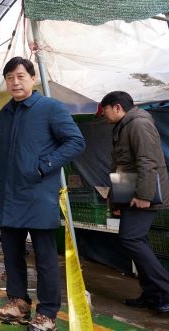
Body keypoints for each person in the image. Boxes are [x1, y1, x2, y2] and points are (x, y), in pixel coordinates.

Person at [0, 57, 85, 331]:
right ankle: (18, 303)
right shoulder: (5, 113)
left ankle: (47, 314)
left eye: (20, 76)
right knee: (11, 254)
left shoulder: (50, 107)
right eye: (10, 77)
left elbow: (76, 141)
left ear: (33, 78)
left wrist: (45, 166)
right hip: (9, 196)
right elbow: (3, 154)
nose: (15, 82)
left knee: (44, 258)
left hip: (38, 194)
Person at [100, 91, 169, 313]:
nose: (104, 115)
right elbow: (123, 166)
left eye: (105, 110)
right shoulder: (124, 126)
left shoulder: (138, 124)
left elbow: (148, 161)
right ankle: (152, 294)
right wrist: (118, 202)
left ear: (117, 107)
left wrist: (145, 196)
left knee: (131, 239)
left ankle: (165, 289)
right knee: (138, 240)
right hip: (130, 195)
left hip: (143, 195)